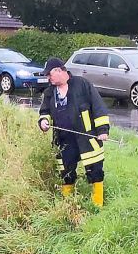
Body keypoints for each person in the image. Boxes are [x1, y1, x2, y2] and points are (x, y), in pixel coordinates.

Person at [37, 58, 111, 207]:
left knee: (95, 170)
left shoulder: (82, 85)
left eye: (49, 74)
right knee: (66, 173)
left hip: (86, 137)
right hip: (64, 140)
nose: (48, 78)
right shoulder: (49, 92)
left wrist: (103, 130)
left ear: (59, 70)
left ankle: (97, 205)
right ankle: (68, 205)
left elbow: (98, 107)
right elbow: (44, 112)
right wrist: (43, 122)